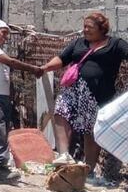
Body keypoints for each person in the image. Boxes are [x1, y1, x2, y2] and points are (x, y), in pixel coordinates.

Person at [40, 12, 128, 179]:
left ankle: (88, 169)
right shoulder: (79, 43)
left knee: (90, 130)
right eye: (84, 26)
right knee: (60, 111)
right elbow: (62, 58)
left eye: (90, 27)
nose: (85, 30)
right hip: (73, 90)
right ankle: (64, 154)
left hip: (98, 95)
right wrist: (45, 68)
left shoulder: (115, 44)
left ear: (102, 29)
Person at [0, 19, 43, 183]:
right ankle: (0, 168)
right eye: (3, 32)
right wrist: (34, 69)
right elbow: (11, 62)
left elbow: (5, 75)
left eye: (7, 34)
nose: (6, 37)